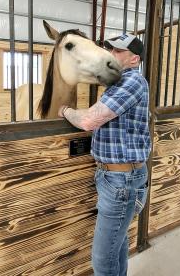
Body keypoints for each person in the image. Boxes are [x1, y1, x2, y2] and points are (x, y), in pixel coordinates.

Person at [58, 33, 151, 276]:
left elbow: (89, 120)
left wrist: (65, 110)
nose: (111, 54)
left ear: (134, 59)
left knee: (102, 258)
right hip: (116, 177)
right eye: (110, 49)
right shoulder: (117, 84)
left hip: (121, 180)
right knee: (116, 246)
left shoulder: (133, 81)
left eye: (118, 51)